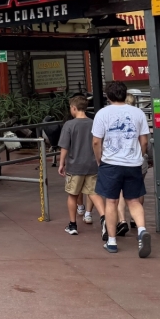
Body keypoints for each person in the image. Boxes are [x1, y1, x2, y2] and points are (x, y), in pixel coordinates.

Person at [92, 81, 152, 257]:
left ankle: (112, 241)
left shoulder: (102, 113)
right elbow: (145, 140)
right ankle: (141, 231)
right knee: (133, 200)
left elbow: (96, 141)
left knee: (111, 201)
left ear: (108, 96)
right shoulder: (138, 113)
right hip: (133, 163)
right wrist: (139, 156)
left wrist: (99, 159)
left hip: (110, 163)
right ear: (124, 95)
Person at [58, 95, 102, 235]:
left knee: (72, 194)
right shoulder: (94, 123)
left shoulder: (69, 125)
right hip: (92, 164)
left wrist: (61, 163)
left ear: (74, 108)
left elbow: (64, 146)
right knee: (94, 193)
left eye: (71, 108)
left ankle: (72, 225)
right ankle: (104, 218)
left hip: (75, 165)